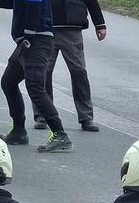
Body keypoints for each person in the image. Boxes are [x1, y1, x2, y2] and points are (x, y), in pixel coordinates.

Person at [0, 0, 72, 153]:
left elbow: (35, 6)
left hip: (36, 41)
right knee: (8, 82)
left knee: (35, 88)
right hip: (29, 41)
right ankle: (18, 131)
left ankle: (60, 134)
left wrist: (28, 36)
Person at [34, 0, 106, 133]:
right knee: (43, 72)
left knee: (79, 72)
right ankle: (42, 115)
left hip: (72, 27)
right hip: (46, 27)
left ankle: (86, 117)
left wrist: (100, 24)